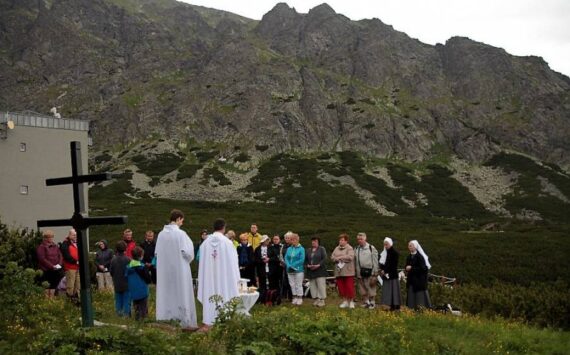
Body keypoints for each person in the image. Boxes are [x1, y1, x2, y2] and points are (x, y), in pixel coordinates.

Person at [155, 209, 197, 330]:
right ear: (178, 219)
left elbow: (157, 253)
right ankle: (183, 320)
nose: (182, 223)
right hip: (180, 271)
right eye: (182, 221)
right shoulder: (181, 234)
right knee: (181, 293)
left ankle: (165, 318)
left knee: (167, 293)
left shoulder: (161, 235)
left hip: (165, 272)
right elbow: (188, 253)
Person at [198, 218, 240, 330]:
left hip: (209, 278)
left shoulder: (205, 243)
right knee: (225, 293)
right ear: (223, 227)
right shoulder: (228, 243)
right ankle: (224, 318)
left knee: (209, 293)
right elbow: (233, 262)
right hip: (224, 277)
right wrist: (236, 277)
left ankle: (209, 320)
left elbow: (202, 262)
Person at [354, 232, 379, 309]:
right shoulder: (356, 249)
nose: (359, 240)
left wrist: (375, 273)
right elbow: (355, 261)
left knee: (371, 287)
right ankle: (366, 302)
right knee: (362, 289)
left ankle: (372, 303)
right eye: (358, 239)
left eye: (361, 239)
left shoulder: (372, 248)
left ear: (365, 239)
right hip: (359, 272)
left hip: (370, 272)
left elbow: (375, 261)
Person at [405, 240, 432, 310]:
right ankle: (412, 309)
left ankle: (420, 309)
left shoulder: (420, 257)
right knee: (412, 298)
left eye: (411, 246)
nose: (409, 247)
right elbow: (406, 266)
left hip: (419, 281)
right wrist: (406, 268)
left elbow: (423, 269)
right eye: (409, 246)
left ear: (415, 246)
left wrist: (412, 268)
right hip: (411, 281)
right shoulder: (409, 256)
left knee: (419, 298)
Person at [126, 246, 151, 320]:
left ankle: (137, 321)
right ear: (141, 256)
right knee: (143, 309)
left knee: (136, 308)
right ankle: (144, 322)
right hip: (143, 291)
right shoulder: (143, 267)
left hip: (133, 291)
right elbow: (148, 280)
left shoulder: (128, 267)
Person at [331, 234, 356, 309]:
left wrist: (340, 257)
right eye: (340, 240)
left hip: (348, 271)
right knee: (341, 287)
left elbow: (350, 257)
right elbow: (332, 257)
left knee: (349, 287)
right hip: (339, 271)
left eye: (342, 240)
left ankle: (351, 302)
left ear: (346, 241)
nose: (340, 241)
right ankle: (345, 301)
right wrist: (336, 259)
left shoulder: (350, 248)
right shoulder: (336, 248)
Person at [36, 230, 63, 298]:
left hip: (55, 270)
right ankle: (47, 301)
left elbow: (60, 255)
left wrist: (59, 264)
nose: (50, 239)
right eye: (49, 237)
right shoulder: (41, 247)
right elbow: (42, 259)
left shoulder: (55, 246)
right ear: (45, 238)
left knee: (53, 285)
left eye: (51, 237)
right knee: (47, 286)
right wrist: (52, 266)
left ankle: (51, 300)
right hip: (46, 270)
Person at [379, 237, 402, 311]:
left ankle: (396, 306)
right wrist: (382, 269)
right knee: (389, 291)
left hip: (392, 275)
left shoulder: (394, 253)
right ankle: (391, 306)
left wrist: (385, 271)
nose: (385, 246)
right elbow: (382, 263)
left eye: (387, 244)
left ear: (390, 244)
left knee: (394, 291)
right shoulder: (384, 253)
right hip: (386, 274)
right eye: (384, 244)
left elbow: (393, 265)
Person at [305, 237, 327, 307]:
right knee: (313, 286)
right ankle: (316, 299)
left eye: (315, 241)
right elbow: (305, 259)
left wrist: (318, 265)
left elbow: (324, 258)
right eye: (312, 241)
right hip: (311, 271)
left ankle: (322, 300)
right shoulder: (308, 250)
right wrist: (307, 265)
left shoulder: (322, 249)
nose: (313, 242)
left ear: (318, 242)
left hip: (320, 270)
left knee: (321, 285)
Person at [110, 241, 130, 316]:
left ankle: (118, 314)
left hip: (117, 282)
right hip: (126, 283)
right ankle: (126, 314)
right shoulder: (128, 259)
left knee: (118, 300)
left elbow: (111, 271)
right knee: (126, 300)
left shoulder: (113, 259)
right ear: (125, 249)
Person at [60, 229, 80, 303]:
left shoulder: (77, 243)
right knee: (70, 285)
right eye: (73, 235)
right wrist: (75, 261)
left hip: (78, 267)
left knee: (77, 285)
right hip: (70, 267)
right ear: (69, 235)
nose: (75, 236)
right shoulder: (65, 243)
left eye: (76, 235)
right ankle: (69, 301)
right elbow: (66, 255)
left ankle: (76, 300)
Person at [284, 233, 305, 306]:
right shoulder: (289, 248)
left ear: (297, 240)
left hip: (298, 270)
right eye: (291, 239)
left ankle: (300, 298)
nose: (291, 241)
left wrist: (293, 265)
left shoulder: (301, 249)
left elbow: (302, 260)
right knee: (292, 284)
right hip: (289, 269)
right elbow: (286, 258)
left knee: (298, 284)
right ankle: (294, 297)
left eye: (293, 239)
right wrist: (288, 265)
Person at [279, 232, 293, 301]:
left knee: (291, 281)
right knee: (285, 281)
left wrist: (289, 264)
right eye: (286, 238)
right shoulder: (283, 246)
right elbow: (281, 254)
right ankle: (286, 296)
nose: (287, 239)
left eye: (288, 238)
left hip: (291, 266)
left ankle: (292, 296)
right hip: (284, 266)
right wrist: (282, 262)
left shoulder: (293, 246)